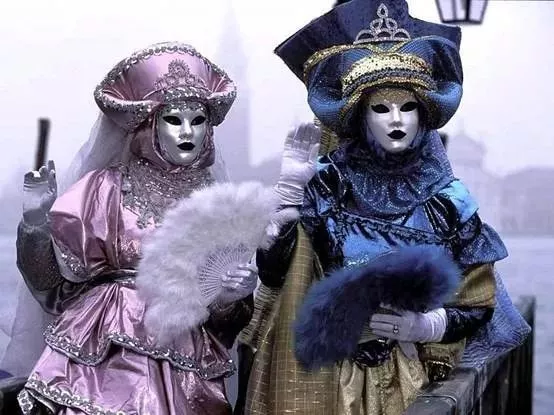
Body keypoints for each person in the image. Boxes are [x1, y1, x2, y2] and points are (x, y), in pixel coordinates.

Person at [237, 1, 530, 414]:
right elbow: (279, 276)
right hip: (323, 382)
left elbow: (477, 300)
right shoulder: (328, 185)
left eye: (408, 107)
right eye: (381, 108)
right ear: (361, 116)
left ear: (424, 114)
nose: (397, 120)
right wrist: (287, 202)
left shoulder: (448, 202)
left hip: (409, 380)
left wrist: (428, 325)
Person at [15, 41, 257, 414]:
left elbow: (224, 322)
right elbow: (53, 288)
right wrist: (36, 219)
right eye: (174, 120)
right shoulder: (104, 188)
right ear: (150, 125)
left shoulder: (219, 206)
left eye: (198, 120)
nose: (187, 132)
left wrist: (232, 294)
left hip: (183, 356)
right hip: (99, 350)